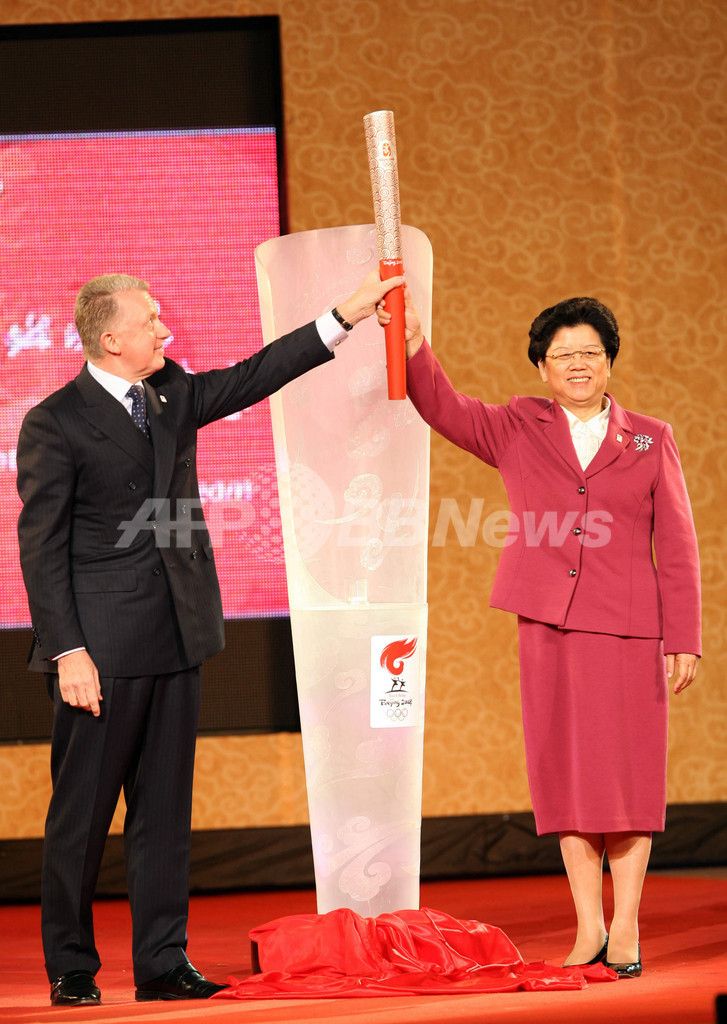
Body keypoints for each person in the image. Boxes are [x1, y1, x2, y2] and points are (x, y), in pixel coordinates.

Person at [16, 270, 400, 1007]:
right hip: (101, 650)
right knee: (81, 817)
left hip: (178, 634)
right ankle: (71, 965)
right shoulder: (54, 421)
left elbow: (255, 376)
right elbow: (41, 548)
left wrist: (344, 315)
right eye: (152, 321)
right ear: (111, 339)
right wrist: (68, 652)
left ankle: (163, 962)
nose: (166, 330)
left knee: (164, 813)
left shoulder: (169, 393)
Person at [377, 288, 701, 978]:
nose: (578, 365)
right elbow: (443, 406)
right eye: (563, 355)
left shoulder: (650, 437)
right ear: (541, 367)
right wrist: (411, 344)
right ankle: (588, 927)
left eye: (590, 352)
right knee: (565, 775)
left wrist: (684, 636)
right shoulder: (516, 426)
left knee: (629, 777)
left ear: (609, 361)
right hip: (548, 624)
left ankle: (625, 926)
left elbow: (677, 544)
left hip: (629, 627)